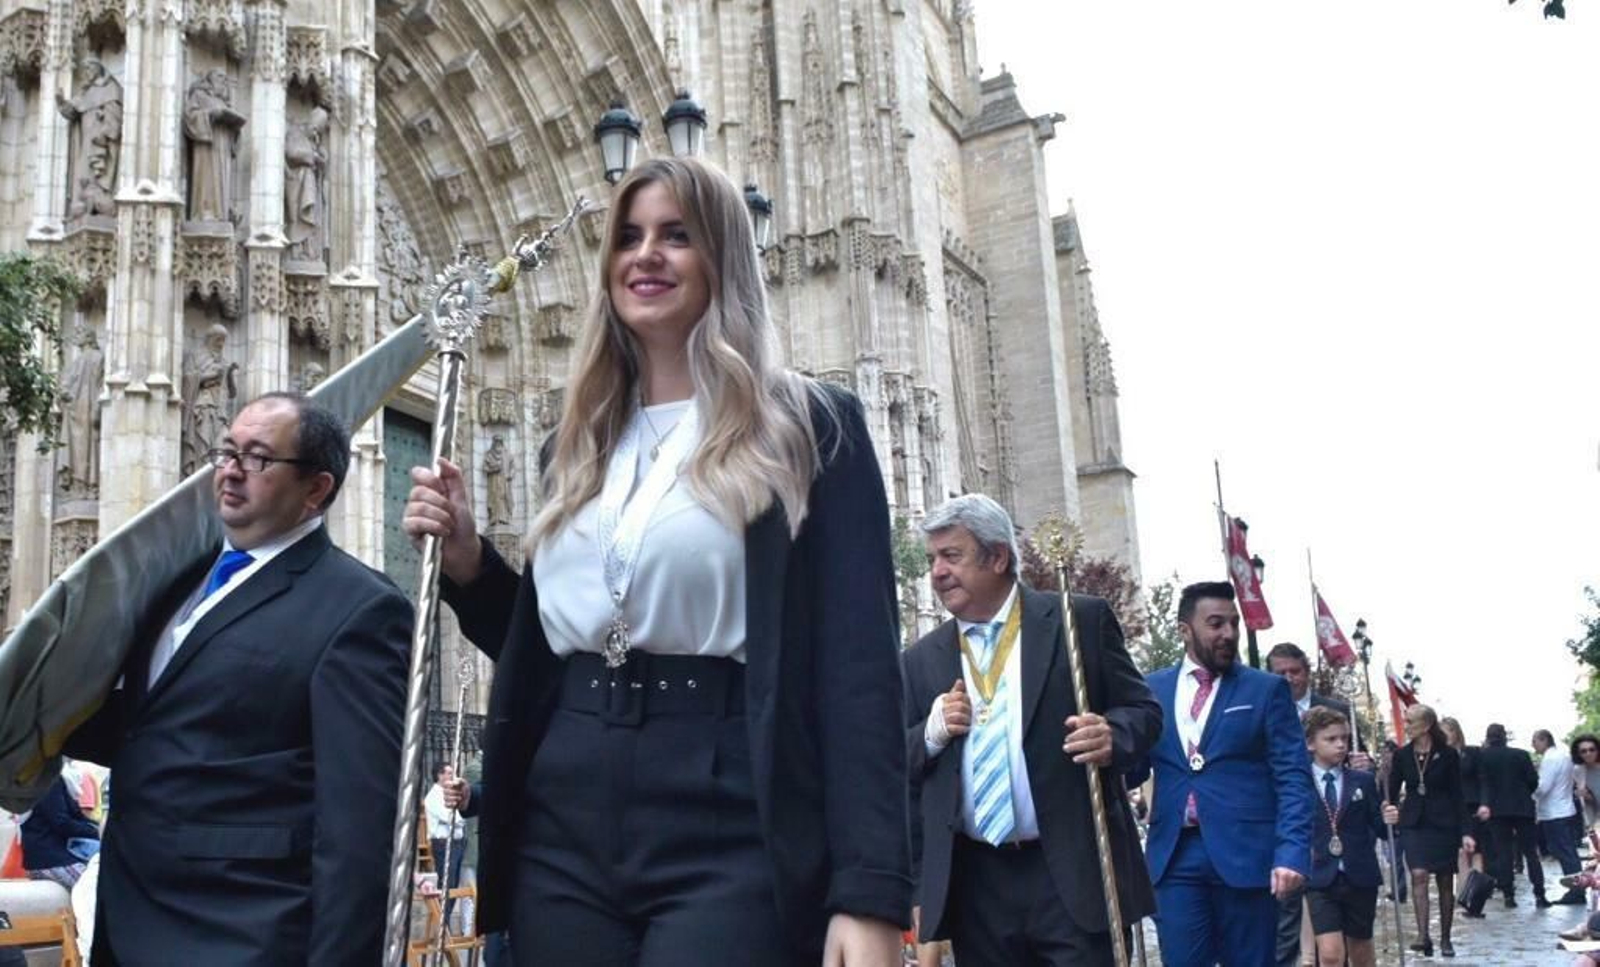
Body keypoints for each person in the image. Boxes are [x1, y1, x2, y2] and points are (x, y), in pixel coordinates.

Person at [402, 156, 910, 966]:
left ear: (724, 258)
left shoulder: (807, 429)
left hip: (728, 803)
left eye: (677, 235)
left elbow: (858, 671)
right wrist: (470, 562)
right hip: (564, 806)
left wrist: (870, 891)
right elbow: (556, 646)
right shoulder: (570, 447)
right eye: (628, 237)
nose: (646, 255)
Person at [64, 392, 413, 964]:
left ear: (316, 489)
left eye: (256, 458)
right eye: (226, 451)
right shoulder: (174, 581)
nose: (229, 470)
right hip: (130, 915)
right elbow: (150, 729)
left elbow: (357, 830)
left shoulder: (360, 608)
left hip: (243, 933)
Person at [900, 493, 1160, 965]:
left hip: (1070, 875)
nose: (936, 571)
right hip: (978, 884)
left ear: (998, 556)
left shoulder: (1075, 620)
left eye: (951, 556)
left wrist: (1111, 734)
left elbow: (1143, 712)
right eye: (933, 558)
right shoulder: (922, 659)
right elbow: (896, 767)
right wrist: (930, 734)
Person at [1139, 581, 1314, 967]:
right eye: (1215, 624)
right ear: (1185, 629)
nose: (1229, 634)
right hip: (1175, 857)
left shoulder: (1266, 689)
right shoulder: (1150, 690)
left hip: (1248, 856)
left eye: (1232, 624)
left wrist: (1292, 852)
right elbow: (1133, 765)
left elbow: (1293, 778)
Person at [1263, 641, 1369, 967]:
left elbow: (1359, 758)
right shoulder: (1263, 707)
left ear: (1306, 673)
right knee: (1284, 914)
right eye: (1280, 673)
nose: (1289, 678)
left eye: (1295, 671)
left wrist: (1366, 763)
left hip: (1331, 828)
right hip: (1285, 824)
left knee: (1340, 938)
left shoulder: (1335, 708)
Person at [1383, 704, 1473, 958]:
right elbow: (1390, 789)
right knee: (1419, 874)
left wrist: (1466, 831)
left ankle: (1445, 938)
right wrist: (1384, 785)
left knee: (1445, 880)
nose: (1406, 724)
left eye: (1410, 720)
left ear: (1426, 725)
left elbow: (1458, 795)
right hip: (1414, 823)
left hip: (1444, 824)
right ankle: (1423, 935)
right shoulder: (1402, 755)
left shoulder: (1447, 755)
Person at [1301, 707, 1384, 967]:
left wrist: (1392, 818)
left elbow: (1381, 828)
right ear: (1310, 743)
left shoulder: (1362, 780)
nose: (1340, 745)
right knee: (1330, 953)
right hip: (1320, 874)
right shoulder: (1298, 782)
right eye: (1331, 739)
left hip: (1359, 873)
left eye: (1344, 739)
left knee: (1360, 949)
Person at [1474, 722, 1544, 909]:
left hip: (1497, 810)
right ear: (1505, 736)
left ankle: (1508, 895)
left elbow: (1482, 783)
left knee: (1503, 853)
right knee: (1531, 853)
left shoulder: (1483, 757)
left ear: (1488, 737)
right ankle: (1540, 894)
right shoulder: (1521, 755)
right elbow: (1532, 781)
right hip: (1522, 807)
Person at [1533, 729, 1586, 905]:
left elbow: (1543, 787)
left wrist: (1531, 794)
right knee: (1568, 850)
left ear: (1543, 740)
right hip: (1565, 808)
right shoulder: (1564, 756)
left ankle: (1576, 891)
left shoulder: (1549, 760)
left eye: (1535, 741)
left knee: (1563, 851)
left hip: (1553, 811)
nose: (1533, 745)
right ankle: (1577, 888)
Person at [19, 773, 99, 889]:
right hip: (53, 860)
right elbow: (62, 823)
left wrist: (100, 828)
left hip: (49, 857)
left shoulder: (58, 778)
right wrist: (98, 832)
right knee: (97, 890)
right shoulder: (48, 780)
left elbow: (76, 815)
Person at [1440, 716, 1489, 884]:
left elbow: (1483, 779)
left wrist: (1484, 803)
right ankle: (1464, 895)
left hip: (1472, 807)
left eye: (1449, 731)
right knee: (1460, 852)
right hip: (1451, 809)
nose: (1447, 736)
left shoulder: (1473, 752)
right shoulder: (1439, 757)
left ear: (1456, 732)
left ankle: (1476, 896)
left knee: (1475, 851)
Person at [425, 763, 469, 925]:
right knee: (447, 884)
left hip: (457, 843)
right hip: (444, 844)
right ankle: (444, 925)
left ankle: (446, 922)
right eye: (449, 774)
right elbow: (451, 818)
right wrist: (460, 819)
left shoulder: (448, 793)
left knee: (453, 885)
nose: (451, 777)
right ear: (439, 775)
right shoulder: (434, 796)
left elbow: (460, 815)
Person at [1572, 734, 1600, 826]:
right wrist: (1585, 796)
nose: (1588, 753)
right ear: (1578, 754)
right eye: (1583, 751)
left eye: (1592, 749)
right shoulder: (1579, 772)